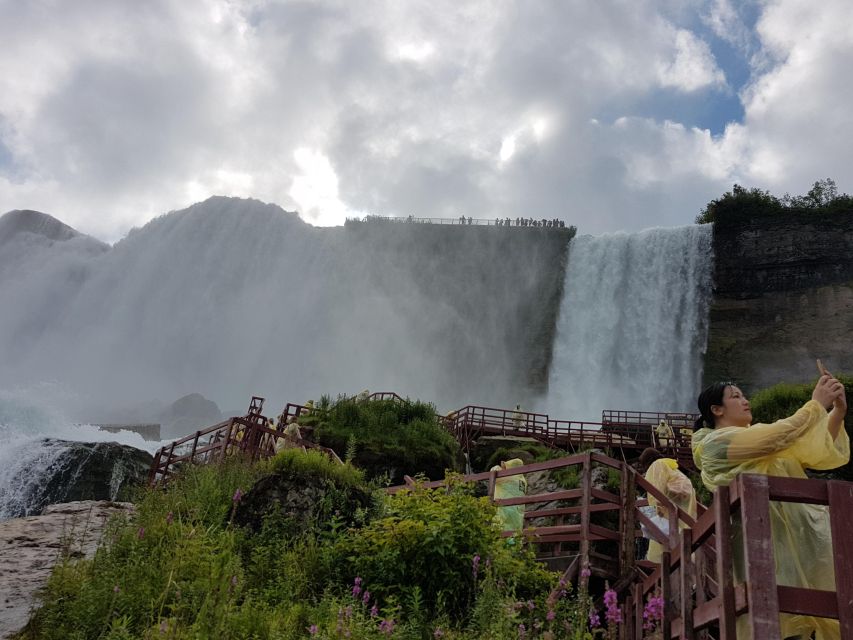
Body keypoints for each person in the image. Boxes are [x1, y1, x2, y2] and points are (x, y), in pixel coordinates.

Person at [691, 375, 849, 640]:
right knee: (777, 619)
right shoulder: (713, 446)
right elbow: (777, 436)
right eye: (736, 396)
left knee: (816, 611)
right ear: (716, 410)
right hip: (763, 543)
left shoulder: (761, 442)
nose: (746, 400)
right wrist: (815, 406)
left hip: (800, 541)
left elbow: (812, 448)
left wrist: (837, 411)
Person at [637, 448, 697, 563]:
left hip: (671, 508)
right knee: (679, 538)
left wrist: (657, 510)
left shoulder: (657, 465)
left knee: (656, 531)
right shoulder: (671, 467)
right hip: (682, 506)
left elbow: (656, 490)